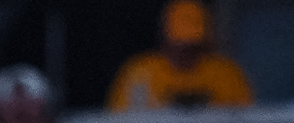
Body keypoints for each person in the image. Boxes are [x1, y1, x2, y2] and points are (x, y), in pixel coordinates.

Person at [108, 2, 254, 108]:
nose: (186, 51)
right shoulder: (140, 72)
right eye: (180, 43)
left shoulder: (226, 74)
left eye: (193, 46)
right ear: (165, 39)